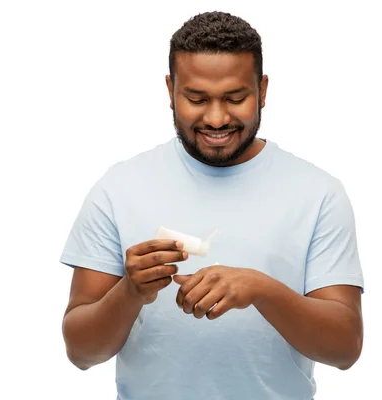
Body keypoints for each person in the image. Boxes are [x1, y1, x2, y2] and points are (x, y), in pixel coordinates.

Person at [59, 10, 364, 400]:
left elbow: (345, 349)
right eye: (196, 99)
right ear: (170, 90)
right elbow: (81, 353)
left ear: (263, 90)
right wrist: (130, 292)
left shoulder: (318, 193)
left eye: (236, 98)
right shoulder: (119, 187)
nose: (217, 118)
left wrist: (262, 289)